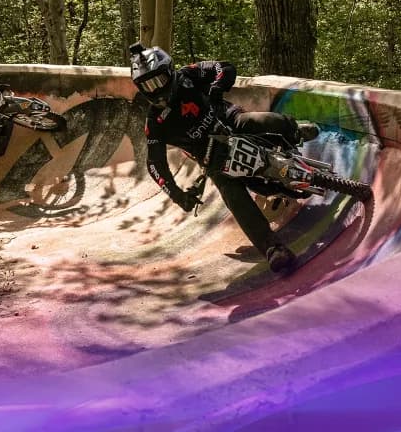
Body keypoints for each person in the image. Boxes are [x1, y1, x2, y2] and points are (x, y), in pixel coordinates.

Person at [129, 42, 320, 274]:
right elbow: (154, 164)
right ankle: (273, 248)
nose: (156, 89)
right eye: (147, 85)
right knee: (233, 196)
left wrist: (218, 87)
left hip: (229, 121)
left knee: (263, 121)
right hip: (211, 157)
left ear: (169, 70)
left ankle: (296, 131)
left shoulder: (187, 75)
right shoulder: (154, 123)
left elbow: (224, 67)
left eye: (159, 80)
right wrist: (177, 195)